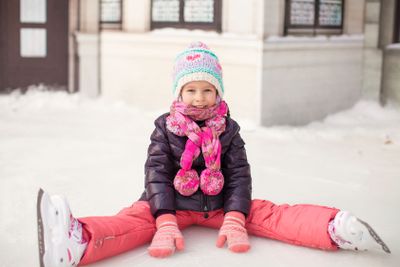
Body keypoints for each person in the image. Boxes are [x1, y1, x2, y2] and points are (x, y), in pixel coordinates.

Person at [36, 42, 390, 267]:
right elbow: (156, 173)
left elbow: (239, 175)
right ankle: (78, 242)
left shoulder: (229, 129)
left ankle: (332, 229)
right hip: (171, 202)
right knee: (134, 219)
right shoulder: (165, 128)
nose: (199, 98)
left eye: (207, 90)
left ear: (217, 92)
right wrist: (165, 217)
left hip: (220, 204)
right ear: (179, 91)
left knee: (268, 213)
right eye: (191, 89)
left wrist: (236, 214)